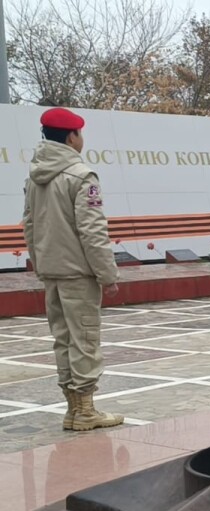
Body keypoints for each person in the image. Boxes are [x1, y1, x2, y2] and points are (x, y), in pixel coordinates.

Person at [20, 107, 124, 431]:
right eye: (80, 133)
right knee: (85, 340)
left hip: (51, 270)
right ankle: (86, 411)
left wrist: (41, 264)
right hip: (78, 272)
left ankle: (72, 409)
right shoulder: (81, 176)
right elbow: (92, 232)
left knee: (62, 339)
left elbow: (29, 226)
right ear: (71, 136)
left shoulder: (35, 176)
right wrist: (108, 274)